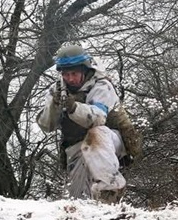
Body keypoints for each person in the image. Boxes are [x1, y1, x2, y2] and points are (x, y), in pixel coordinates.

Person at [37, 44, 127, 203]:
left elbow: (99, 118)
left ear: (84, 70)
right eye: (66, 74)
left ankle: (111, 188)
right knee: (78, 202)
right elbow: (46, 126)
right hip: (77, 148)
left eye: (74, 73)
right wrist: (54, 106)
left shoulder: (101, 85)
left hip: (110, 141)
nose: (70, 79)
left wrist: (73, 107)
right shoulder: (56, 90)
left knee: (96, 134)